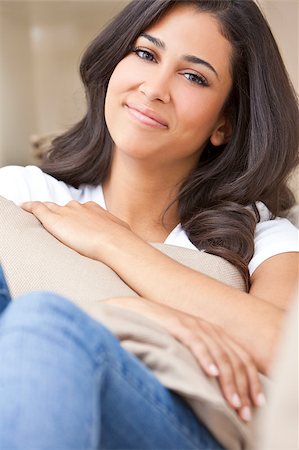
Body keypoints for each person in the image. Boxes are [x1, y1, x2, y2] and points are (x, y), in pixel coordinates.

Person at [0, 0, 298, 448]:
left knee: (45, 319)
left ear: (224, 123)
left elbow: (284, 350)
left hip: (177, 426)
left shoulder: (264, 237)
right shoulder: (21, 193)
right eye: (145, 54)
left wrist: (116, 244)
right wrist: (131, 311)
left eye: (194, 76)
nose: (155, 88)